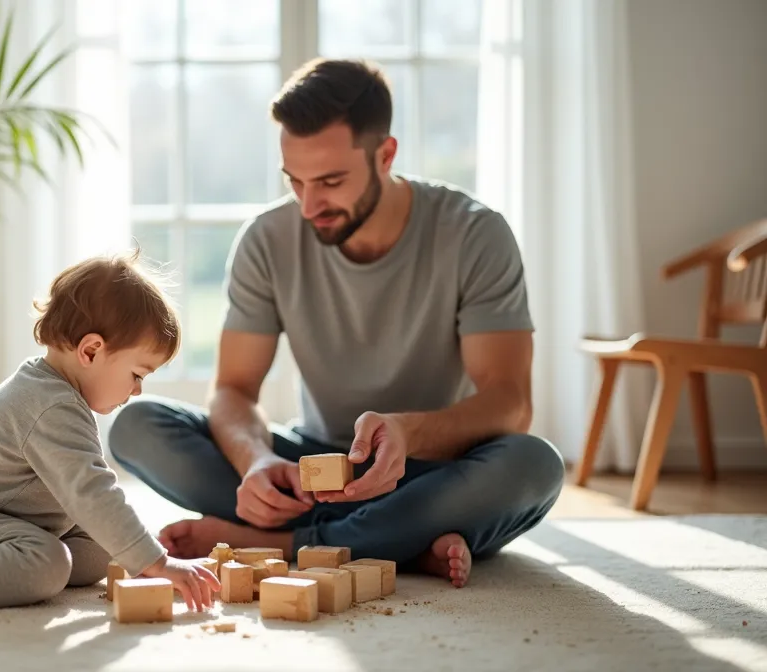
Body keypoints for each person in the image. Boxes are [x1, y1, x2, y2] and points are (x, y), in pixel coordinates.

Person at [106, 58, 565, 589]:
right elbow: (233, 390)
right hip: (312, 468)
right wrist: (256, 462)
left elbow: (510, 401)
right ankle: (400, 542)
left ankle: (289, 544)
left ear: (385, 155)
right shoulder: (266, 240)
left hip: (432, 470)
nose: (308, 205)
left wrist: (407, 432)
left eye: (329, 181)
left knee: (534, 465)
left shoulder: (475, 235)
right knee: (137, 427)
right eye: (295, 181)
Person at [0, 250, 220, 618]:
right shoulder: (49, 405)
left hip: (10, 521)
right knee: (49, 563)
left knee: (101, 547)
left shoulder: (54, 387)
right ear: (91, 350)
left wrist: (137, 550)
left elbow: (89, 503)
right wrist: (157, 562)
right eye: (137, 375)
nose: (137, 391)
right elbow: (91, 491)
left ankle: (8, 572)